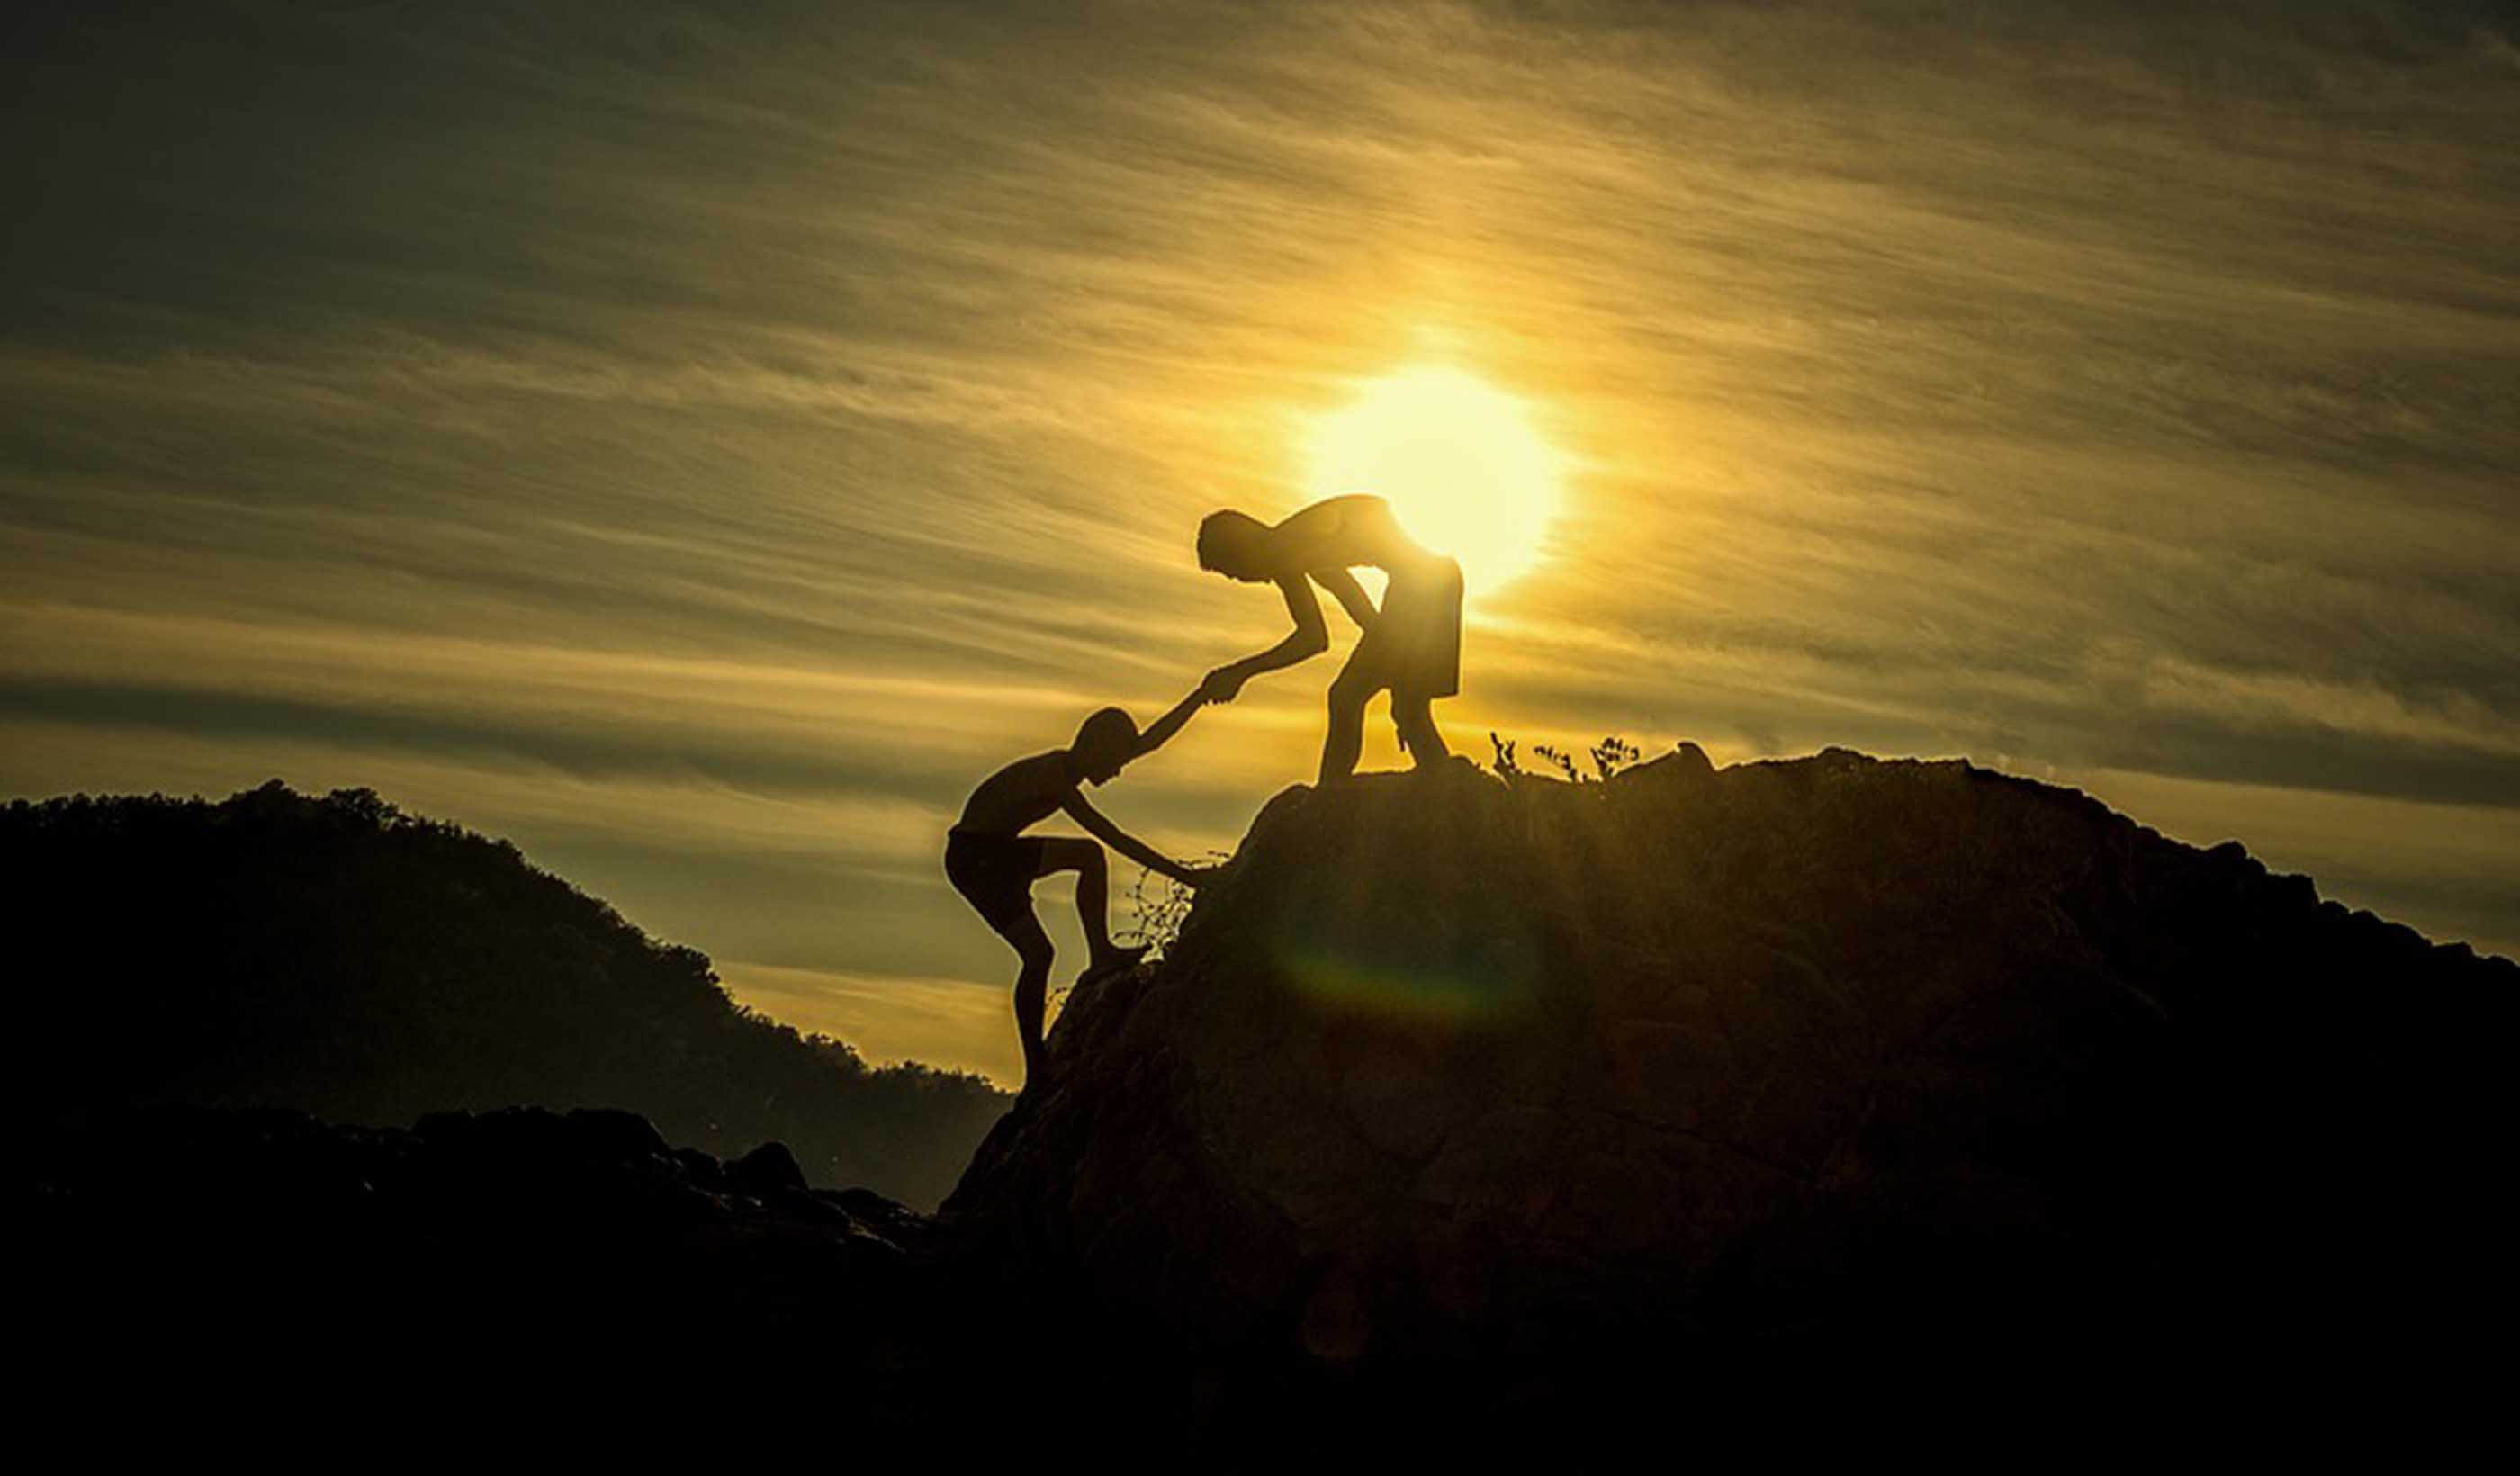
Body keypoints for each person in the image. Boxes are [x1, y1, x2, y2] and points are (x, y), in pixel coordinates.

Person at [946, 693, 1209, 1086]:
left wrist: (1201, 696)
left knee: (1085, 863)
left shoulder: (1073, 768)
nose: (1118, 772)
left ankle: (1099, 953)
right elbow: (1117, 839)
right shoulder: (1056, 777)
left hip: (995, 850)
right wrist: (1189, 878)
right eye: (1115, 762)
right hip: (977, 858)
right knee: (1039, 953)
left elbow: (1148, 743)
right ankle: (1037, 1065)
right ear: (1096, 748)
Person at [1195, 493, 1463, 783]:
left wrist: (1241, 672)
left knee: (1348, 697)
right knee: (1406, 710)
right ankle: (1445, 791)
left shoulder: (1282, 550)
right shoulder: (1289, 550)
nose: (1242, 580)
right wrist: (1394, 667)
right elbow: (1354, 613)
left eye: (1234, 573)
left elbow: (1312, 638)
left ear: (1241, 551)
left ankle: (1330, 797)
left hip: (1423, 588)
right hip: (1432, 582)